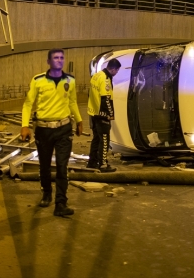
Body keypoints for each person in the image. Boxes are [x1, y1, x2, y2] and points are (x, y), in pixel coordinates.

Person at [20, 49, 83, 217]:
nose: (59, 60)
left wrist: (79, 120)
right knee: (45, 165)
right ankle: (47, 192)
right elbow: (28, 104)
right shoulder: (38, 80)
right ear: (48, 61)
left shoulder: (70, 80)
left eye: (62, 58)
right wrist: (24, 126)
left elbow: (73, 102)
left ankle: (60, 203)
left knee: (62, 166)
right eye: (56, 58)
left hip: (63, 129)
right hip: (43, 129)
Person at [87, 58, 122, 172]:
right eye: (117, 70)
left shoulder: (96, 76)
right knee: (105, 140)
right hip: (102, 114)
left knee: (96, 139)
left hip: (93, 112)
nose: (117, 73)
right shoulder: (105, 79)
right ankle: (103, 164)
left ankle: (92, 162)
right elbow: (105, 99)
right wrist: (110, 115)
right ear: (113, 69)